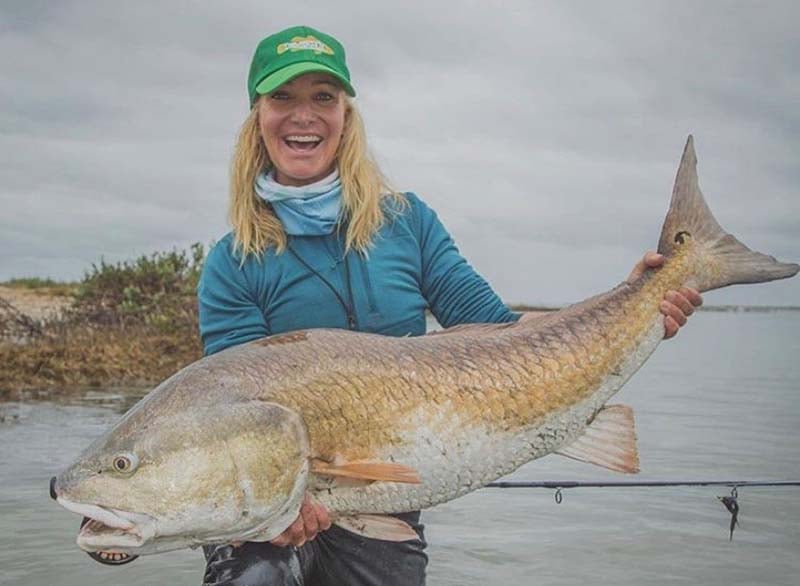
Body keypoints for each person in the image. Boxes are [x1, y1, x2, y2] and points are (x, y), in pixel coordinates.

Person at [197, 25, 702, 586]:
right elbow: (236, 411)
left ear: (346, 115)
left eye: (324, 96)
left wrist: (633, 302)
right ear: (256, 117)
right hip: (268, 507)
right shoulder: (231, 262)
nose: (304, 115)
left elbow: (503, 337)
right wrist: (272, 506)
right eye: (282, 98)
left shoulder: (407, 224)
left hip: (387, 501)